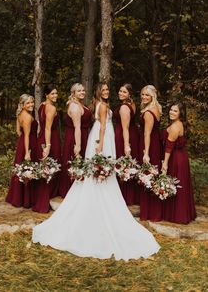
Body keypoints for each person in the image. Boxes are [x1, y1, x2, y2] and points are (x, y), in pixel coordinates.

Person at [32, 82, 160, 261]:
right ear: (100, 92)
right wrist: (100, 143)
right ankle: (100, 190)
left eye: (109, 89)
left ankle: (101, 184)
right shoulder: (103, 105)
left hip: (101, 135)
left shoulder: (97, 104)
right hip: (102, 136)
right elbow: (101, 126)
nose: (107, 92)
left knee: (100, 168)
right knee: (101, 166)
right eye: (105, 90)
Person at [161, 101, 196, 224]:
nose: (171, 112)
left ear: (181, 113)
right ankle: (182, 213)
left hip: (175, 159)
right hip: (182, 157)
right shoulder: (180, 124)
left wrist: (164, 163)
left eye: (175, 110)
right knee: (180, 185)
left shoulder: (176, 126)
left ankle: (178, 215)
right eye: (171, 109)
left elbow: (169, 147)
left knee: (176, 185)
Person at [32, 84, 61, 213]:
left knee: (45, 167)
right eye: (52, 94)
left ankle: (42, 197)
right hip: (50, 139)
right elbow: (48, 127)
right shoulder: (51, 108)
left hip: (42, 137)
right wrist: (48, 146)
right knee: (49, 168)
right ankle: (45, 199)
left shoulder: (42, 106)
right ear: (46, 95)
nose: (55, 96)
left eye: (56, 93)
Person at [58, 83, 92, 198]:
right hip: (76, 137)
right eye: (79, 91)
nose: (82, 92)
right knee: (74, 162)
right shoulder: (75, 107)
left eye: (83, 90)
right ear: (73, 93)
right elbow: (77, 127)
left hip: (81, 135)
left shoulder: (79, 104)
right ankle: (71, 192)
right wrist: (78, 145)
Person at [6, 94, 37, 208]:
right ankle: (26, 200)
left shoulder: (19, 114)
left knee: (21, 171)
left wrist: (21, 142)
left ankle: (17, 197)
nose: (31, 105)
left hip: (22, 143)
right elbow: (27, 135)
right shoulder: (28, 117)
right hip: (28, 145)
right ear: (22, 105)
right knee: (27, 170)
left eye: (31, 102)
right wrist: (27, 152)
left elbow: (18, 131)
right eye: (28, 103)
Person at [138, 85, 163, 221]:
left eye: (147, 95)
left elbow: (147, 133)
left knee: (148, 175)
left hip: (149, 145)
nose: (144, 97)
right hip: (155, 144)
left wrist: (146, 153)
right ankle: (155, 211)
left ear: (152, 96)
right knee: (153, 175)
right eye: (142, 94)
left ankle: (148, 212)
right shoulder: (157, 109)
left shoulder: (148, 113)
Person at [114, 83, 140, 205]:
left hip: (124, 136)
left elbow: (125, 128)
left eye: (124, 92)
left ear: (129, 94)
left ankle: (124, 197)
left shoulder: (124, 107)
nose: (121, 93)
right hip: (133, 135)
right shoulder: (132, 104)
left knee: (123, 164)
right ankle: (131, 197)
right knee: (129, 165)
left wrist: (126, 145)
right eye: (120, 91)